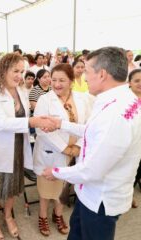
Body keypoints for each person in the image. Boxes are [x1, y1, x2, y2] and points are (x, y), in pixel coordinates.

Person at [42, 47, 141, 240]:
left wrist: (55, 172)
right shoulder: (120, 99)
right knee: (77, 231)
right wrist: (61, 124)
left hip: (100, 199)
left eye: (87, 71)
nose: (84, 77)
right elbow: (94, 132)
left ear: (102, 74)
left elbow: (92, 171)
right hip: (90, 193)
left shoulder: (116, 114)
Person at [0, 53, 57, 240]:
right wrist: (32, 122)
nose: (19, 75)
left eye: (22, 71)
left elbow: (28, 116)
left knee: (13, 185)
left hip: (17, 147)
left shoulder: (21, 90)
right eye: (15, 71)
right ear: (3, 69)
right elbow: (2, 123)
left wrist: (43, 120)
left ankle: (7, 216)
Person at [33, 64, 91, 236]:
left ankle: (57, 215)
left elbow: (88, 125)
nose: (57, 84)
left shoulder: (82, 98)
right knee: (46, 188)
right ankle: (42, 216)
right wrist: (65, 148)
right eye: (54, 80)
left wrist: (78, 147)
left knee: (64, 187)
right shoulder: (45, 100)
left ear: (71, 81)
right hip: (53, 152)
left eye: (62, 80)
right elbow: (39, 129)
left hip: (76, 151)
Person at [128, 68, 141, 209]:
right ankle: (128, 195)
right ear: (129, 83)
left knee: (138, 171)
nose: (140, 83)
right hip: (130, 143)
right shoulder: (127, 101)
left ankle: (130, 192)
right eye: (136, 81)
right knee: (130, 169)